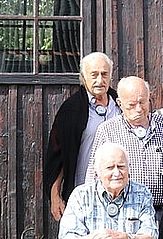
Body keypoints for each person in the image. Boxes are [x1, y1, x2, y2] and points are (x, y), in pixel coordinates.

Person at [87, 76, 163, 214]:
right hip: (123, 212)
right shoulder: (107, 130)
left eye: (142, 102)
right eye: (132, 105)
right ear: (119, 103)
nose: (139, 109)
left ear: (149, 98)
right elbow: (94, 175)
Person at [45, 52, 120, 221]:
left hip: (120, 189)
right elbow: (59, 154)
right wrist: (55, 194)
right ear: (83, 77)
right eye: (94, 75)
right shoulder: (71, 110)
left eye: (104, 74)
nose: (100, 80)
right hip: (84, 190)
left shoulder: (121, 104)